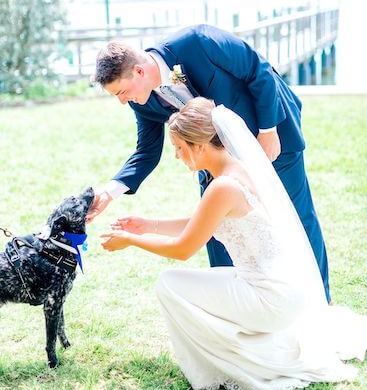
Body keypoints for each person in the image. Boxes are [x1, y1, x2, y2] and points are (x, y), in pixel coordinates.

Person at [100, 98, 367, 390]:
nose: (177, 156)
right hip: (283, 290)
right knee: (195, 283)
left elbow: (182, 249)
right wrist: (149, 225)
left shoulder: (223, 187)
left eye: (178, 148)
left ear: (199, 146)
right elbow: (209, 220)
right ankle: (247, 349)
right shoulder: (237, 170)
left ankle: (236, 361)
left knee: (169, 283)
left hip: (270, 299)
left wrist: (132, 241)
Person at [89, 24, 330, 302]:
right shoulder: (140, 99)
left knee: (297, 217)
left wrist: (268, 130)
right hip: (216, 159)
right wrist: (109, 192)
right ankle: (236, 308)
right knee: (217, 228)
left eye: (121, 92)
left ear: (139, 71)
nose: (122, 102)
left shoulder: (198, 41)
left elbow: (257, 70)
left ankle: (321, 301)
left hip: (271, 137)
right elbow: (146, 151)